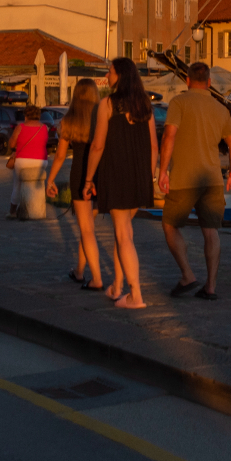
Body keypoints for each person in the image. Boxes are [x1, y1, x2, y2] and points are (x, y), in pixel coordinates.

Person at [156, 60, 231, 301]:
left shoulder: (179, 102)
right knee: (211, 232)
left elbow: (169, 136)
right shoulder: (220, 108)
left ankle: (187, 274)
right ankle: (211, 287)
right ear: (210, 82)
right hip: (212, 178)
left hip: (184, 177)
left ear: (188, 80)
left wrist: (163, 171)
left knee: (170, 225)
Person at [85, 59, 158, 308]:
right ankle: (117, 286)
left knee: (123, 233)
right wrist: (147, 177)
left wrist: (88, 179)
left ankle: (135, 295)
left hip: (116, 173)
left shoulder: (107, 104)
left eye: (110, 71)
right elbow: (153, 147)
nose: (107, 75)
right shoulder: (144, 104)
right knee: (125, 232)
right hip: (139, 176)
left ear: (121, 76)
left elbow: (97, 145)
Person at [47, 79, 104, 288]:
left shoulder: (69, 119)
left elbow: (60, 155)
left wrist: (50, 178)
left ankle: (96, 279)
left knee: (86, 228)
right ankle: (79, 271)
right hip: (99, 174)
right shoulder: (102, 117)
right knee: (88, 227)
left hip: (80, 174)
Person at [5, 106, 51, 219]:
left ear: (26, 116)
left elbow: (11, 144)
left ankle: (12, 211)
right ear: (39, 116)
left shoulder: (20, 127)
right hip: (41, 162)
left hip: (23, 161)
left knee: (17, 184)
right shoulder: (44, 128)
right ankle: (36, 207)